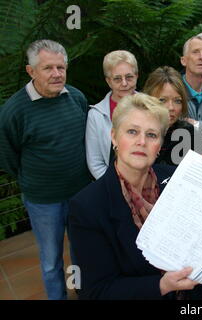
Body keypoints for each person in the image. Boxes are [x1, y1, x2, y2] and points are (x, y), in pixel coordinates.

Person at [68, 93, 198, 299]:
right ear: (113, 136)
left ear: (160, 144)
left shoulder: (177, 180)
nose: (141, 142)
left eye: (152, 135)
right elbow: (95, 291)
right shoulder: (87, 207)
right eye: (132, 131)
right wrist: (161, 285)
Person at [0, 39, 91, 300]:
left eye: (61, 68)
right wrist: (37, 178)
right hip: (43, 201)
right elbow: (8, 156)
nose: (56, 74)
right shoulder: (14, 111)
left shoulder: (76, 97)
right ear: (31, 71)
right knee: (51, 258)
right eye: (48, 68)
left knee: (81, 250)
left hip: (79, 193)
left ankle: (83, 293)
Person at [86, 50, 139, 179]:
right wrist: (116, 185)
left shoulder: (151, 107)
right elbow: (95, 162)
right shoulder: (96, 115)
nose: (124, 83)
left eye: (129, 77)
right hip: (112, 184)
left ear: (137, 76)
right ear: (108, 81)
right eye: (117, 79)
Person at [142, 66, 195, 166]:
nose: (171, 107)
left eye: (177, 101)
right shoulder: (133, 132)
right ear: (148, 100)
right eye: (162, 100)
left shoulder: (188, 133)